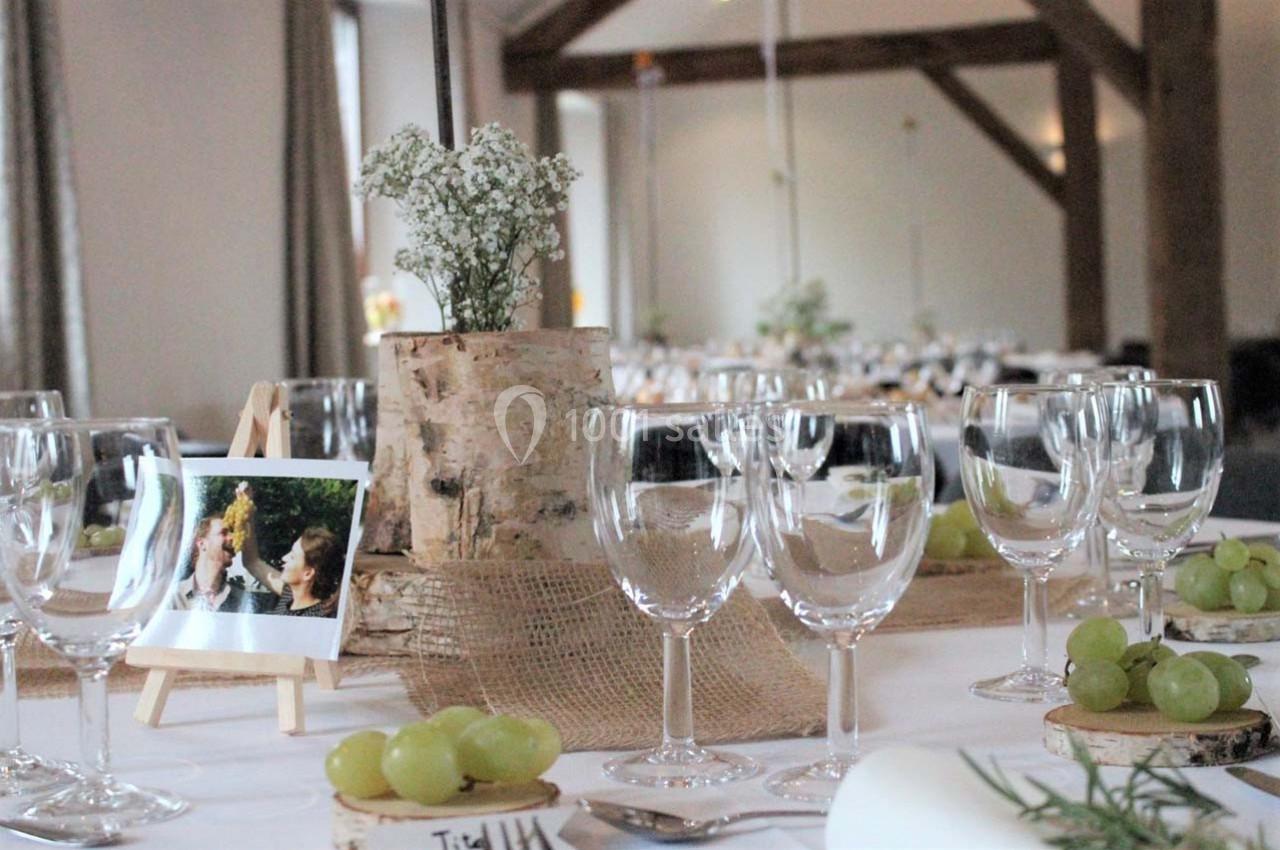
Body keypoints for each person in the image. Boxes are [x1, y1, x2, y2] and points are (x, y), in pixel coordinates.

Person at [171, 516, 257, 613]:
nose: (232, 538)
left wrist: (255, 564)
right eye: (224, 533)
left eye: (232, 533)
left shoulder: (242, 600)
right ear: (202, 544)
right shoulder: (173, 596)